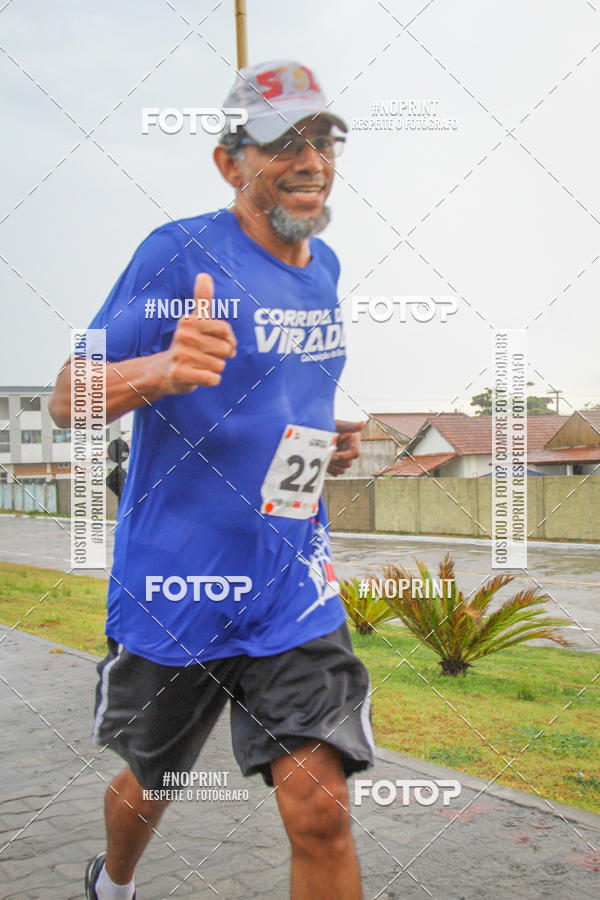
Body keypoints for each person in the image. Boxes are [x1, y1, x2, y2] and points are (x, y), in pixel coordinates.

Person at [49, 59, 374, 900]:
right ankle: (113, 881)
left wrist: (323, 442)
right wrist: (158, 369)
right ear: (230, 163)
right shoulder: (177, 255)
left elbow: (287, 397)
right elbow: (64, 398)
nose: (312, 160)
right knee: (152, 781)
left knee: (320, 811)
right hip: (177, 584)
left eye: (324, 139)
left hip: (290, 582)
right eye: (284, 143)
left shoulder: (325, 267)